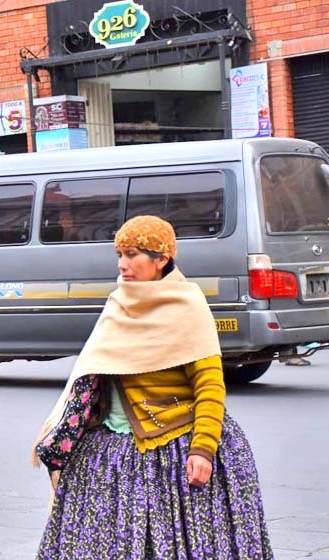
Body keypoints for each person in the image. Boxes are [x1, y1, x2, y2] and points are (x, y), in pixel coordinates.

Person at [32, 216, 272, 559]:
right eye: (120, 254)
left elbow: (209, 385)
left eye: (132, 254)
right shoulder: (118, 303)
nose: (122, 264)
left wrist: (203, 450)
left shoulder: (187, 305)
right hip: (108, 447)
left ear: (161, 259)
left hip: (170, 443)